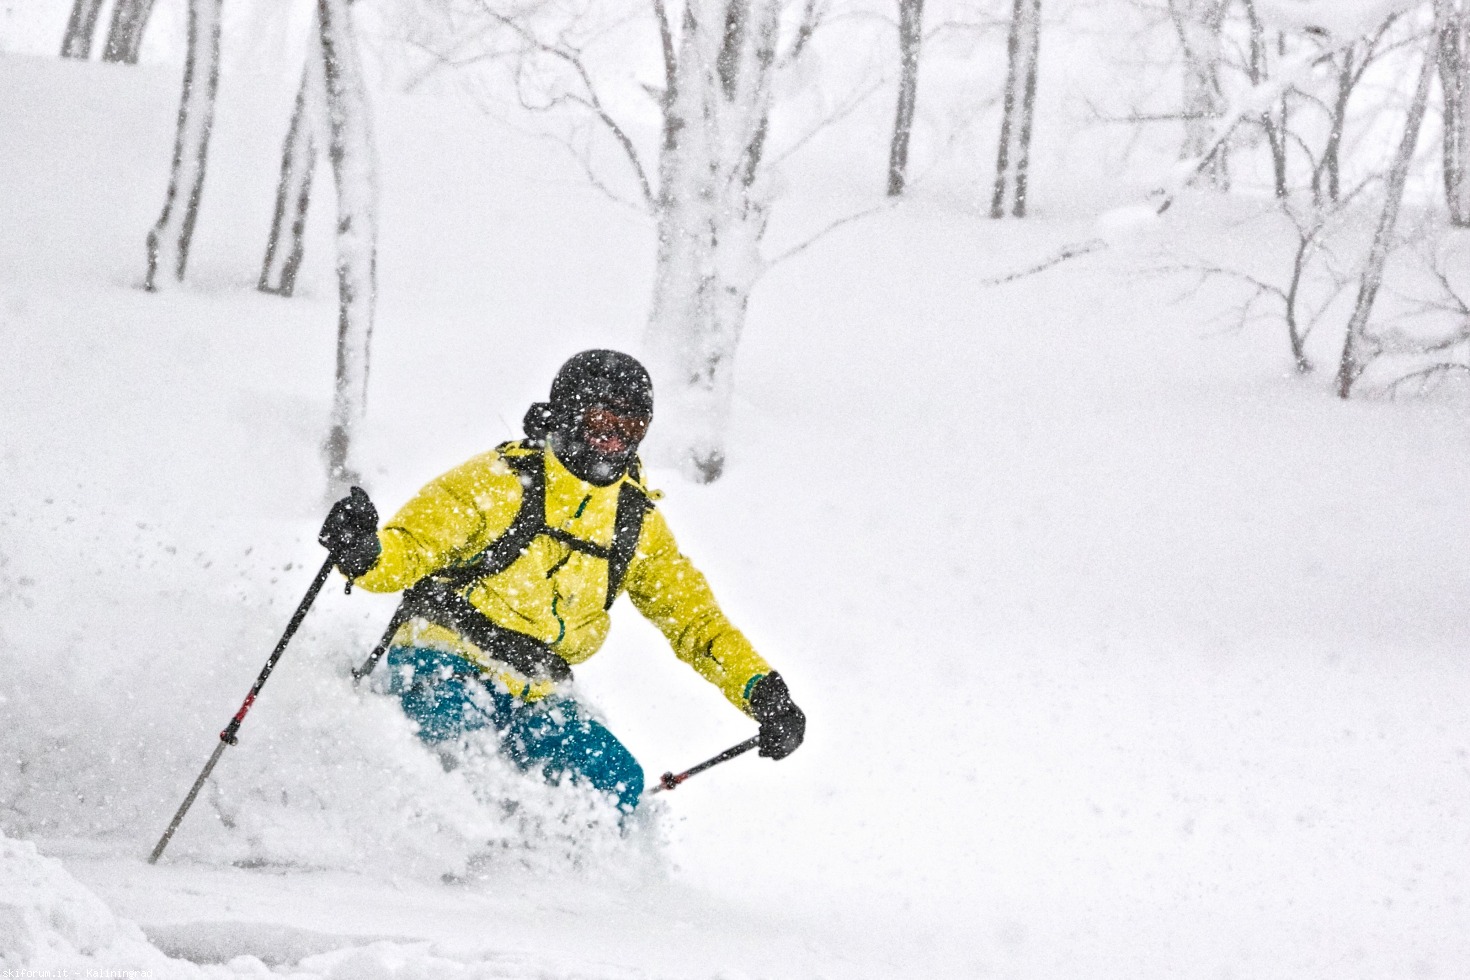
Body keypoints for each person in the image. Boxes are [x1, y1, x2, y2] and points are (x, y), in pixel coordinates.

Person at [318, 350, 805, 815]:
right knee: (460, 745)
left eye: (630, 425)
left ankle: (559, 884)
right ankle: (415, 868)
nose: (615, 439)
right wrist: (364, 554)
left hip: (538, 690)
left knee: (615, 779)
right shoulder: (499, 481)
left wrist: (760, 691)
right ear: (569, 412)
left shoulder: (634, 523)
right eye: (601, 421)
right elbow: (410, 549)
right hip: (444, 658)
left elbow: (694, 620)